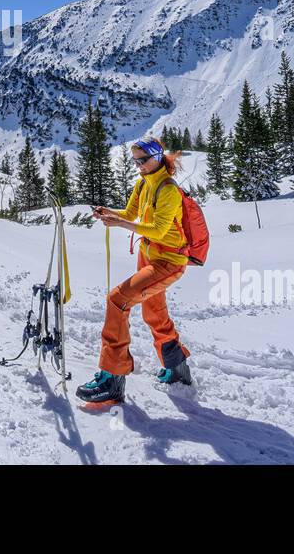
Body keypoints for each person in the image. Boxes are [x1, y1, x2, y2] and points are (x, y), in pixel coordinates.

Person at [79, 138, 194, 403]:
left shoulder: (168, 189)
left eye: (143, 160)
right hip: (149, 254)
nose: (139, 166)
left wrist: (119, 224)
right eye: (135, 161)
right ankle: (176, 369)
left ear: (157, 156)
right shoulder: (143, 183)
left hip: (168, 261)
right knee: (154, 311)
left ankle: (111, 378)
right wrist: (111, 213)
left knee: (117, 300)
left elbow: (159, 230)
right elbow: (131, 213)